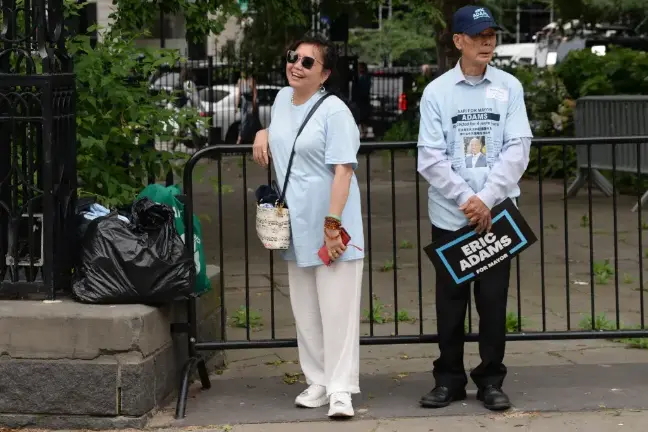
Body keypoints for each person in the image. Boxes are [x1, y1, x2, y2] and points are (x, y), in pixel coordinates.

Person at [416, 5, 533, 411]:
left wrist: (485, 200)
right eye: (478, 35)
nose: (487, 42)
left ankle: (490, 379)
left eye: (492, 35)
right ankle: (448, 379)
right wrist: (467, 199)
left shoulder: (510, 88)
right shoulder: (437, 92)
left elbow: (519, 148)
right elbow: (429, 157)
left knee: (494, 302)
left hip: (496, 216)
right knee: (450, 303)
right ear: (458, 41)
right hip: (451, 216)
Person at [251, 34, 365, 419]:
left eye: (307, 62)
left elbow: (343, 172)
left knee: (338, 310)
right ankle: (317, 379)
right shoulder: (282, 99)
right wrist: (261, 132)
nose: (296, 65)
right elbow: (283, 133)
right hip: (295, 223)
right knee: (305, 310)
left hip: (331, 223)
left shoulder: (335, 111)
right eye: (292, 57)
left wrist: (332, 224)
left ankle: (341, 388)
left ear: (324, 74)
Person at [235, 71, 259, 144]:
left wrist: (254, 106)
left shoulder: (251, 80)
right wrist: (236, 106)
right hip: (244, 103)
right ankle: (241, 140)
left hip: (250, 103)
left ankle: (240, 140)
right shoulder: (240, 81)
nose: (242, 73)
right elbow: (239, 94)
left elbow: (255, 94)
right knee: (244, 121)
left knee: (250, 123)